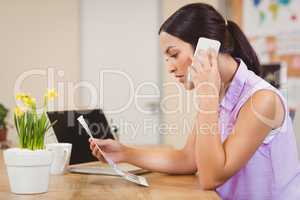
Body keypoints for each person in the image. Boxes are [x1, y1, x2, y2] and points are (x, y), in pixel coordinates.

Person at [89, 3, 300, 199]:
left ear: (207, 47)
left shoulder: (262, 100)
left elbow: (211, 177)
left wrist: (207, 97)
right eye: (167, 58)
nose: (170, 67)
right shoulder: (220, 93)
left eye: (174, 54)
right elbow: (188, 159)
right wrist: (124, 153)